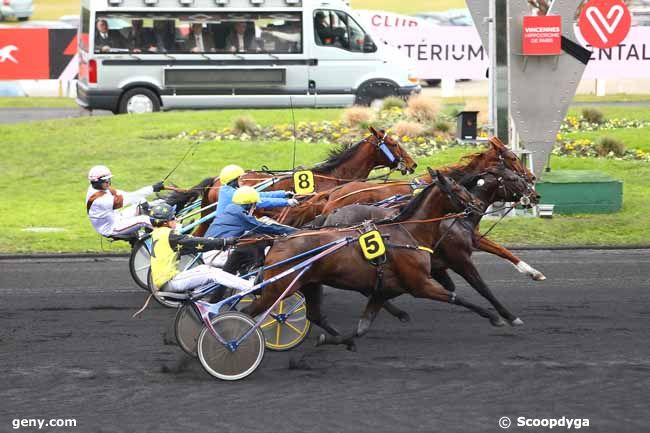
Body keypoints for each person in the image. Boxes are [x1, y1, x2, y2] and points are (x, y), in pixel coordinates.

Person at [147, 203, 252, 294]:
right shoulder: (170, 235)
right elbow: (195, 242)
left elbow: (190, 245)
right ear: (165, 222)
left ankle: (199, 294)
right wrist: (223, 242)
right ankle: (250, 287)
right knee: (212, 273)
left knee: (204, 268)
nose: (176, 219)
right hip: (170, 282)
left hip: (165, 281)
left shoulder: (158, 233)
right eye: (173, 217)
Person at [204, 164, 298, 238]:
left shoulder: (227, 190)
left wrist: (283, 194)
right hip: (229, 231)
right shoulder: (233, 194)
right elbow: (261, 200)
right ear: (234, 180)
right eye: (240, 178)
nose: (242, 180)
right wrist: (286, 202)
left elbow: (258, 195)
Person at [86, 165, 163, 238]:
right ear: (97, 182)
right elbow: (130, 197)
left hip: (116, 217)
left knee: (140, 205)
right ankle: (166, 235)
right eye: (105, 180)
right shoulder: (100, 200)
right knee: (143, 219)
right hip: (111, 228)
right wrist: (152, 188)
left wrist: (149, 202)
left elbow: (125, 194)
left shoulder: (97, 188)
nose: (108, 182)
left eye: (109, 179)